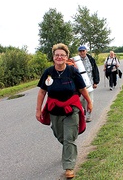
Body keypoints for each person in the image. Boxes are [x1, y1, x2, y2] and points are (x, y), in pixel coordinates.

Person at [35, 43, 93, 179]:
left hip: (71, 108)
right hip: (54, 109)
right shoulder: (48, 72)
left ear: (67, 57)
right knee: (60, 135)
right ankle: (69, 149)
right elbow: (42, 92)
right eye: (57, 55)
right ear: (53, 57)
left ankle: (69, 166)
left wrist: (89, 102)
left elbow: (82, 89)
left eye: (62, 55)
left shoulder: (73, 72)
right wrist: (38, 110)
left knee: (68, 138)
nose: (59, 57)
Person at [77, 45, 100, 122]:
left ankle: (89, 115)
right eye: (80, 51)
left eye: (83, 51)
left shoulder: (91, 59)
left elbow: (95, 71)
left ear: (86, 51)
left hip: (89, 83)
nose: (82, 52)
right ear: (79, 52)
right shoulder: (76, 61)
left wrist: (96, 82)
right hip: (80, 84)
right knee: (81, 100)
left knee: (89, 100)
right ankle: (85, 110)